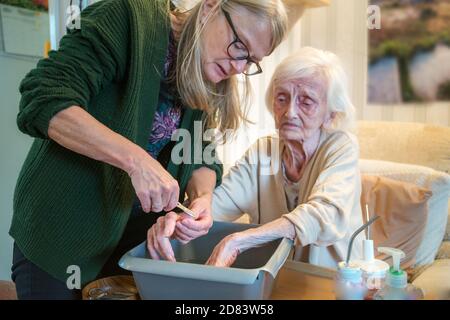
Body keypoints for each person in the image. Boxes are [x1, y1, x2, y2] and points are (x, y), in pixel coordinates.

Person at [10, 0, 288, 299]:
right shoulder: (126, 17)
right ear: (210, 7)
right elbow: (44, 100)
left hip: (131, 249)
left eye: (251, 61)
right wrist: (136, 161)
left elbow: (202, 153)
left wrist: (202, 199)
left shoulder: (208, 70)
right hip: (61, 235)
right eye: (239, 45)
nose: (238, 67)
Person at [149, 47, 364, 269]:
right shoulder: (264, 151)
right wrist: (181, 220)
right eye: (282, 98)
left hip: (334, 283)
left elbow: (324, 214)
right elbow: (219, 203)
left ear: (331, 115)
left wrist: (240, 241)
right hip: (275, 281)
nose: (289, 112)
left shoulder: (341, 147)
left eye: (306, 102)